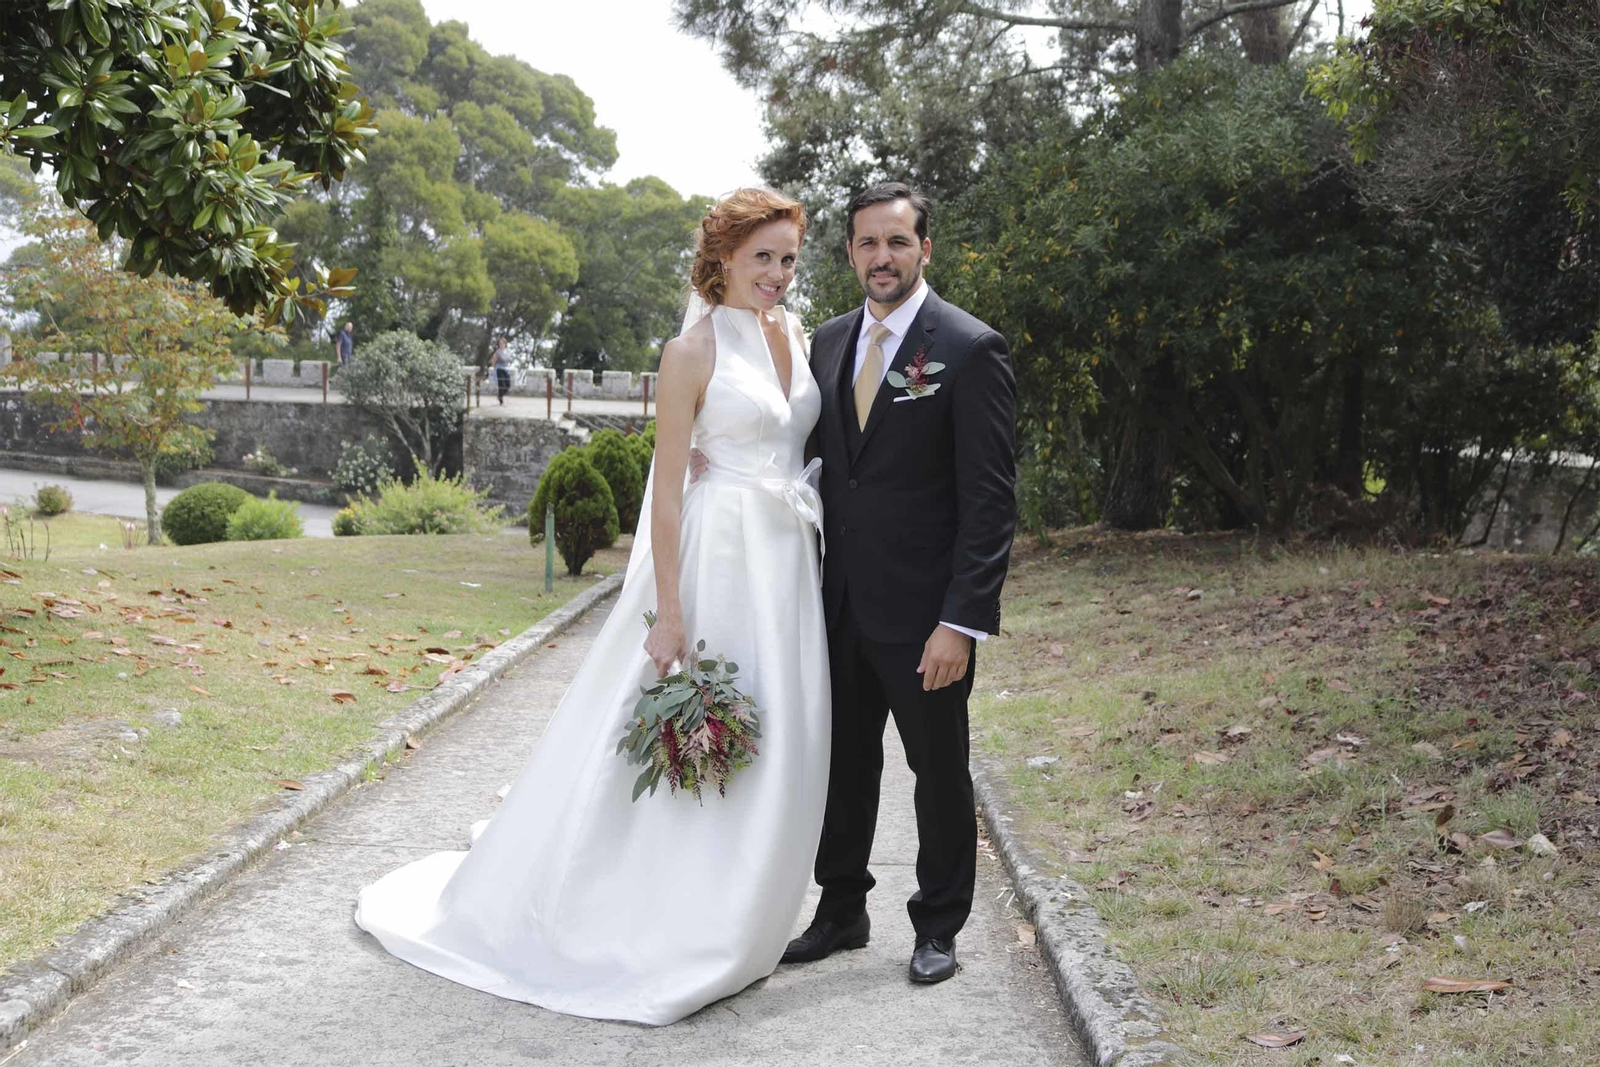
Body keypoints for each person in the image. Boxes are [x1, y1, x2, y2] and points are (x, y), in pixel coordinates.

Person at [353, 188, 830, 1025]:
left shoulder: (792, 332)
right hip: (718, 558)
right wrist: (671, 612)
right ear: (721, 257)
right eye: (763, 257)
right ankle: (666, 918)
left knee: (780, 730)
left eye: (789, 258)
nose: (778, 275)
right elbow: (672, 492)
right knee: (691, 722)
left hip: (787, 563)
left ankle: (745, 915)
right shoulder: (690, 351)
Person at [768, 182, 1016, 985]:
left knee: (938, 769)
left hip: (925, 617)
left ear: (925, 250)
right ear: (850, 253)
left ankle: (938, 924)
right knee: (842, 764)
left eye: (897, 242)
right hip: (835, 604)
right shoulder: (830, 343)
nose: (882, 257)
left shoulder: (971, 349)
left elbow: (989, 501)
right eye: (868, 244)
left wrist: (962, 621)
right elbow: (811, 463)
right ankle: (841, 907)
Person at [490, 337, 511, 404]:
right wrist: (495, 369)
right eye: (500, 343)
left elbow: (508, 360)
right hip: (499, 369)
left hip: (506, 369)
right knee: (502, 385)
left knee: (508, 385)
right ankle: (501, 399)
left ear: (505, 344)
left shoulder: (507, 351)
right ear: (498, 344)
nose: (501, 344)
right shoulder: (497, 352)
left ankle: (500, 395)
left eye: (503, 343)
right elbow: (493, 361)